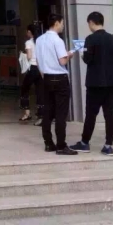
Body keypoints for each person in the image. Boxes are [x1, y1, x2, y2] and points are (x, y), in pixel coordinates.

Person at [70, 12, 113, 157]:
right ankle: (108, 145)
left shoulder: (90, 39)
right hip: (111, 82)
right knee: (109, 114)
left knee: (91, 114)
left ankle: (85, 142)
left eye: (89, 24)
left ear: (91, 22)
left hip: (95, 82)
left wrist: (82, 53)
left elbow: (88, 59)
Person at [35, 13, 77, 156]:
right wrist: (70, 54)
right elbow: (62, 61)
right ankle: (61, 145)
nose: (63, 26)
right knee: (60, 113)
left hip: (46, 77)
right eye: (62, 23)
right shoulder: (57, 40)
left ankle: (48, 143)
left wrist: (44, 74)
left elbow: (38, 61)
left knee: (47, 112)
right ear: (57, 23)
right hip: (60, 78)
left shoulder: (39, 40)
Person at [18, 22, 44, 125]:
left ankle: (27, 114)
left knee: (24, 89)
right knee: (40, 91)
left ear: (29, 32)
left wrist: (22, 54)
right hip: (41, 68)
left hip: (32, 68)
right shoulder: (41, 41)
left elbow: (29, 57)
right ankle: (41, 116)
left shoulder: (28, 42)